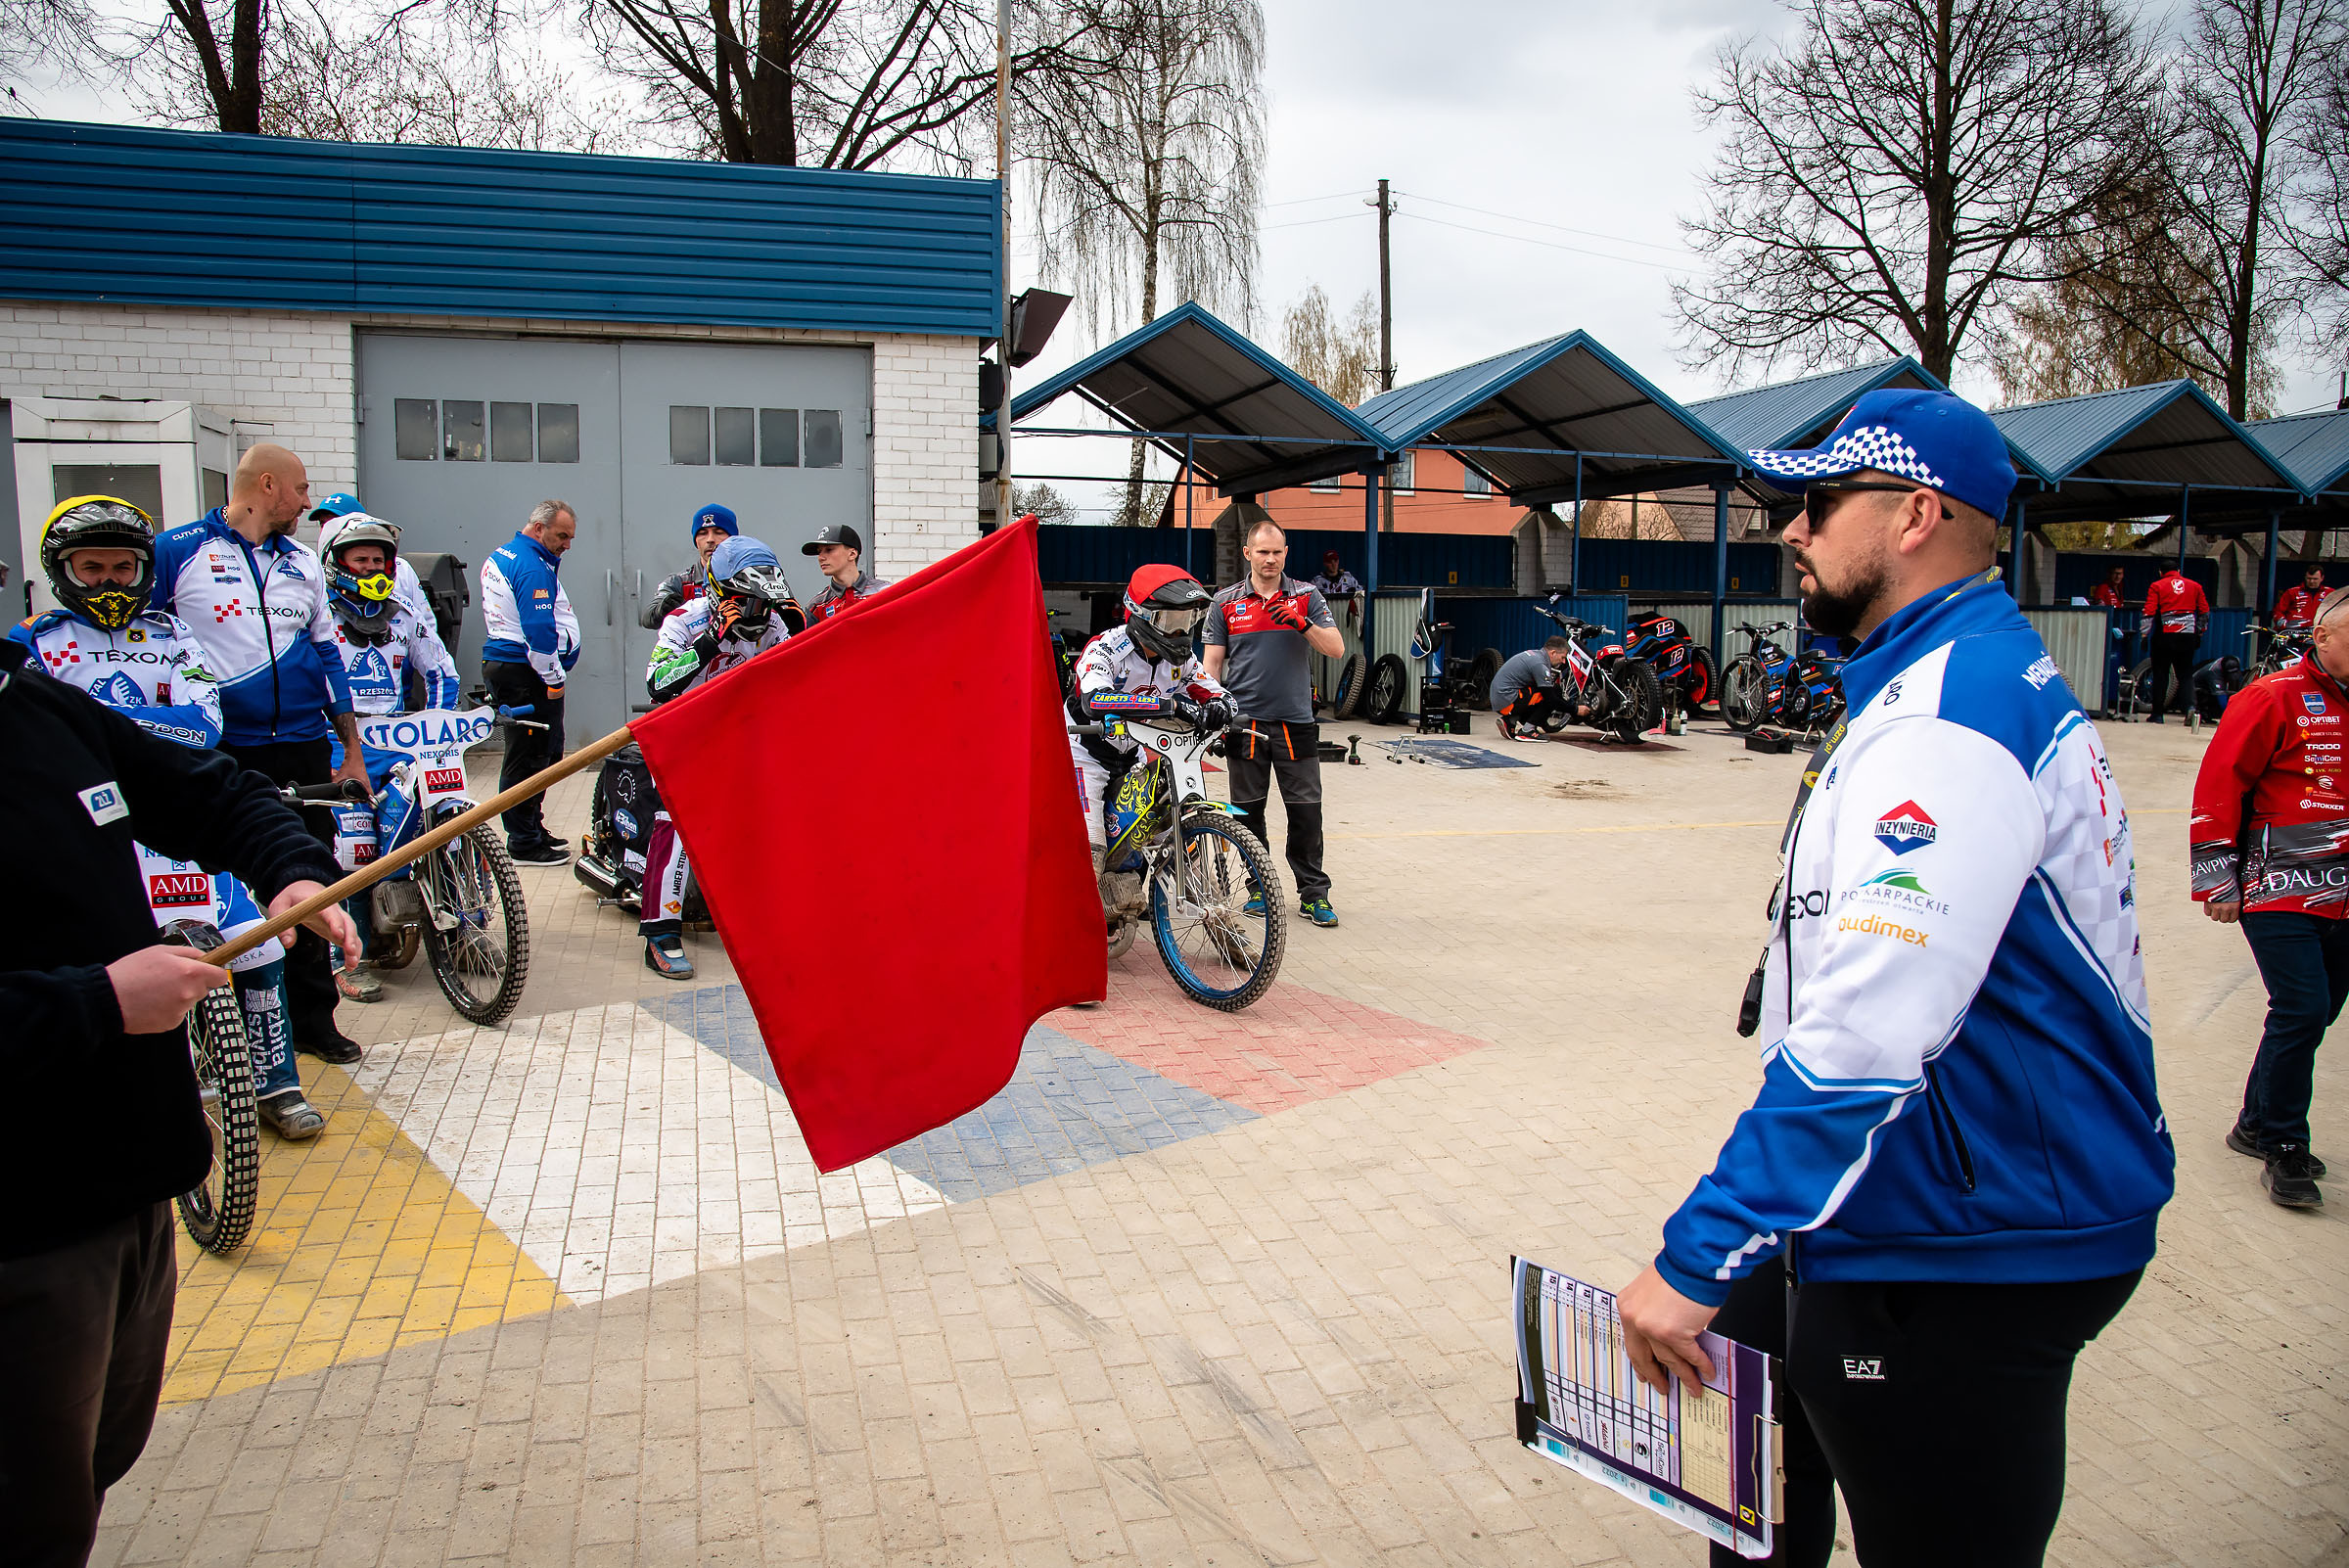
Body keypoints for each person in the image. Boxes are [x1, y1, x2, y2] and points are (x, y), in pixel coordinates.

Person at [1613, 389, 2173, 1568]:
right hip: (1896, 1197)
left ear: (1914, 515)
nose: (1789, 530)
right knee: (1755, 1492)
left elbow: (1870, 1027)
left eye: (1816, 503)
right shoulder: (1931, 682)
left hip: (1971, 1238)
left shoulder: (1952, 716)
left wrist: (1695, 1256)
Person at [0, 621, 354, 1567]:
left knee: (94, 1463)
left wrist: (291, 870)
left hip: (131, 1189)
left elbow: (206, 789)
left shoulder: (31, 702)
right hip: (26, 1234)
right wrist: (102, 1001)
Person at [13, 495, 326, 1139]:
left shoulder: (171, 634)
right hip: (99, 835)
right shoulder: (36, 645)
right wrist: (139, 732)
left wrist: (108, 730)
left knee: (258, 942)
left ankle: (275, 1079)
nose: (108, 581)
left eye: (122, 568)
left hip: (173, 816)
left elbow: (205, 721)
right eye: (91, 567)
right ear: (62, 570)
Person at [151, 442, 370, 1067]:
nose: (307, 502)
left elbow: (329, 656)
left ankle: (311, 1020)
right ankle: (217, 1027)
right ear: (267, 485)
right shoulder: (178, 551)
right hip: (223, 751)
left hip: (301, 747)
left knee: (309, 884)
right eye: (301, 490)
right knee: (224, 889)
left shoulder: (303, 562)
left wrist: (348, 750)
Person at [2188, 584, 2349, 1211]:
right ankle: (2283, 1143)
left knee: (2312, 1015)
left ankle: (2255, 1122)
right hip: (2279, 885)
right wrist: (2216, 880)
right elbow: (2220, 784)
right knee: (2303, 1008)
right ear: (2321, 637)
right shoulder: (2270, 696)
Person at [318, 510, 462, 1003]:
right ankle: (344, 958)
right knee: (353, 855)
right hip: (341, 748)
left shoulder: (404, 614)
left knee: (429, 828)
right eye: (361, 560)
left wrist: (436, 729)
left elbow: (443, 673)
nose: (372, 569)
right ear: (337, 563)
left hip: (401, 746)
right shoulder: (320, 617)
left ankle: (432, 923)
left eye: (380, 560)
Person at [636, 536, 797, 978]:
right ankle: (660, 931)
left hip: (742, 740)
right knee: (676, 826)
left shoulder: (773, 627)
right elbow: (657, 684)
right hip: (685, 740)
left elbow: (789, 685)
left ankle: (761, 921)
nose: (756, 612)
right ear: (722, 590)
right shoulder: (684, 622)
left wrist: (801, 637)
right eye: (747, 600)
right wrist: (709, 642)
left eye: (763, 600)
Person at [1203, 520, 1348, 928]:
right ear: (1247, 553)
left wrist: (1300, 622)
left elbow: (1336, 649)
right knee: (1247, 814)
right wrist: (1214, 714)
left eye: (1277, 552)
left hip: (1296, 723)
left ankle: (1314, 895)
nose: (1270, 559)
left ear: (1286, 553)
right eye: (1262, 552)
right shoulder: (1225, 602)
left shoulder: (1307, 596)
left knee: (1306, 813)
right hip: (1245, 723)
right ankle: (1258, 890)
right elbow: (1212, 664)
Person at [1066, 565, 1233, 881]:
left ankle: (1216, 916)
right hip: (1085, 755)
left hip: (1134, 756)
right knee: (1092, 852)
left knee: (1170, 832)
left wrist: (1219, 708)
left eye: (1187, 621)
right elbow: (1094, 701)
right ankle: (1079, 923)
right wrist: (1171, 706)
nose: (1180, 633)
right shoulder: (1105, 649)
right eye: (1170, 622)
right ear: (1140, 615)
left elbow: (1221, 696)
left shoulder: (1181, 661)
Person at [480, 499, 581, 865]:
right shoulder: (531, 564)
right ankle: (522, 842)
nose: (566, 545)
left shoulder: (508, 553)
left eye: (570, 537)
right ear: (539, 528)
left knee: (542, 753)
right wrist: (554, 678)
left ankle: (531, 828)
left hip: (513, 668)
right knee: (530, 756)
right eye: (562, 536)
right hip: (526, 672)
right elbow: (538, 632)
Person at [641, 502, 736, 629]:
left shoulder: (749, 577)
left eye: (718, 532)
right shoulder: (680, 582)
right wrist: (662, 609)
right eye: (702, 533)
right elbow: (648, 619)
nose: (710, 539)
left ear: (733, 539)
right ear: (696, 541)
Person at [2143, 564, 2210, 723]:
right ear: (2179, 571)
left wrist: (2144, 635)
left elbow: (2149, 612)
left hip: (2164, 637)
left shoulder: (2157, 586)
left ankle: (2158, 714)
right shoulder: (2195, 586)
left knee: (2160, 674)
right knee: (2186, 674)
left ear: (2161, 572)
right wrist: (2199, 632)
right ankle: (2190, 709)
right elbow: (2204, 611)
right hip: (2187, 637)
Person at [801, 524, 890, 627]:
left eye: (829, 550)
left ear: (852, 554)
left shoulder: (884, 591)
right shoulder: (816, 605)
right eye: (819, 552)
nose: (820, 557)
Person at [1488, 638, 1573, 740]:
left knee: (1541, 690)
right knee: (1553, 692)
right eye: (1563, 657)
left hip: (1500, 698)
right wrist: (1575, 710)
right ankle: (1527, 731)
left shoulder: (1535, 655)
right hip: (1507, 700)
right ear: (1553, 653)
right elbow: (1551, 699)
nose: (1563, 661)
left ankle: (1510, 720)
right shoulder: (1540, 665)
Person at [2274, 565, 2326, 630]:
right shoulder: (2292, 592)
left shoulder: (2330, 593)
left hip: (2319, 631)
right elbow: (2278, 611)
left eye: (2315, 579)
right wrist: (2283, 625)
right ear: (2305, 577)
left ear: (2322, 578)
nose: (2311, 582)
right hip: (2293, 632)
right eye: (2309, 578)